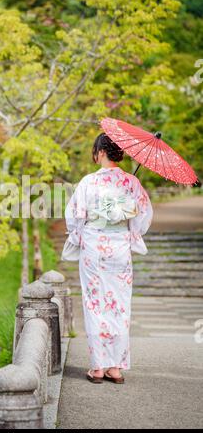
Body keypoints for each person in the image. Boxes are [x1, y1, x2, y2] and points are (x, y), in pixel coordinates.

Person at [64, 133, 153, 384]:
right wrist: (130, 232)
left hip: (94, 246)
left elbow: (74, 216)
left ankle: (98, 368)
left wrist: (80, 236)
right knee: (120, 305)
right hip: (120, 248)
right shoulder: (131, 183)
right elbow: (143, 216)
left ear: (101, 152)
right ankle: (115, 367)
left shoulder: (89, 182)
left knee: (95, 304)